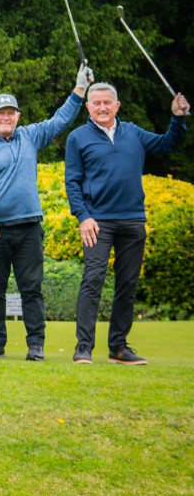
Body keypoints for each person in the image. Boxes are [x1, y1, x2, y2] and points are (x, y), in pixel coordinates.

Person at [0, 64, 90, 361]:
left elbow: (60, 121)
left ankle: (36, 344)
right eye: (0, 112)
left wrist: (79, 89)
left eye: (11, 112)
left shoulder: (29, 136)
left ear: (18, 116)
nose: (6, 117)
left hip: (29, 226)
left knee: (31, 287)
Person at [66, 85, 188, 365]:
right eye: (96, 103)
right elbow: (72, 181)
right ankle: (83, 347)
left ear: (117, 105)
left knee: (127, 284)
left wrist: (178, 118)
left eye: (107, 102)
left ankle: (118, 348)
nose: (102, 107)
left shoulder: (133, 132)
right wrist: (83, 216)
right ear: (88, 107)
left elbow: (168, 143)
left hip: (133, 219)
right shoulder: (78, 137)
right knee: (92, 280)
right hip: (97, 221)